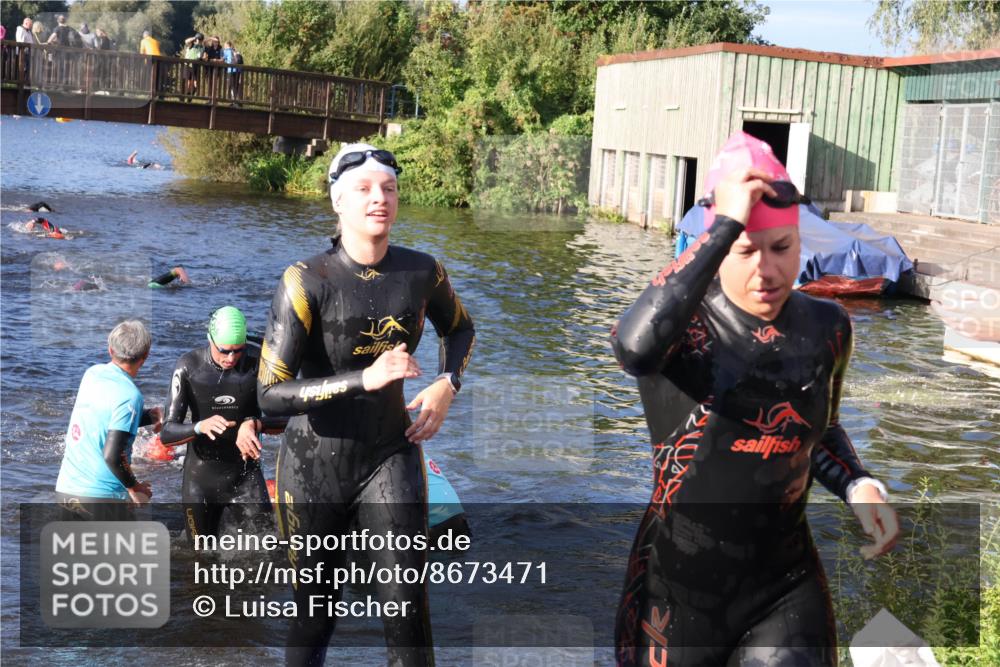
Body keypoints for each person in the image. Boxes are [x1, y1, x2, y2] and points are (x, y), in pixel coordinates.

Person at [610, 132, 900, 667]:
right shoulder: (682, 330)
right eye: (744, 251)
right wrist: (726, 223)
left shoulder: (826, 326)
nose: (765, 270)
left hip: (784, 587)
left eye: (781, 249)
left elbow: (818, 429)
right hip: (676, 596)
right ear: (716, 248)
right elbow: (633, 347)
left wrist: (859, 484)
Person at [258, 143, 475, 666]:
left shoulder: (424, 273)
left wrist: (448, 382)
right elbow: (270, 395)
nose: (379, 198)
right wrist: (364, 379)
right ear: (337, 201)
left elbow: (462, 329)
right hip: (313, 466)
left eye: (389, 188)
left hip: (390, 455)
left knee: (408, 613)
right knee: (316, 612)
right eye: (363, 189)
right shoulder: (305, 282)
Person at [160, 307, 284, 542]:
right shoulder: (188, 366)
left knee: (269, 552)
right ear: (210, 340)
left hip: (245, 477)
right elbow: (167, 433)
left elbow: (291, 416)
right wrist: (199, 427)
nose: (231, 358)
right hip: (200, 481)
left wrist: (254, 423)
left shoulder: (258, 363)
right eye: (224, 351)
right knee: (199, 561)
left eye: (238, 351)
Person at [55, 320, 162, 520]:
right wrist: (134, 487)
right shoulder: (130, 396)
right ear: (145, 356)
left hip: (67, 490)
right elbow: (112, 455)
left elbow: (104, 421)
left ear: (110, 350)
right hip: (102, 497)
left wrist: (149, 416)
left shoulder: (92, 374)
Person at [182, 33, 205, 99]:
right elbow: (186, 41)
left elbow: (201, 56)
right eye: (198, 40)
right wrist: (195, 38)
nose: (199, 41)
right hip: (188, 65)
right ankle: (185, 95)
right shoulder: (192, 44)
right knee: (187, 81)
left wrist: (203, 58)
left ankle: (190, 95)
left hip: (196, 66)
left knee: (196, 84)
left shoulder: (202, 47)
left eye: (200, 40)